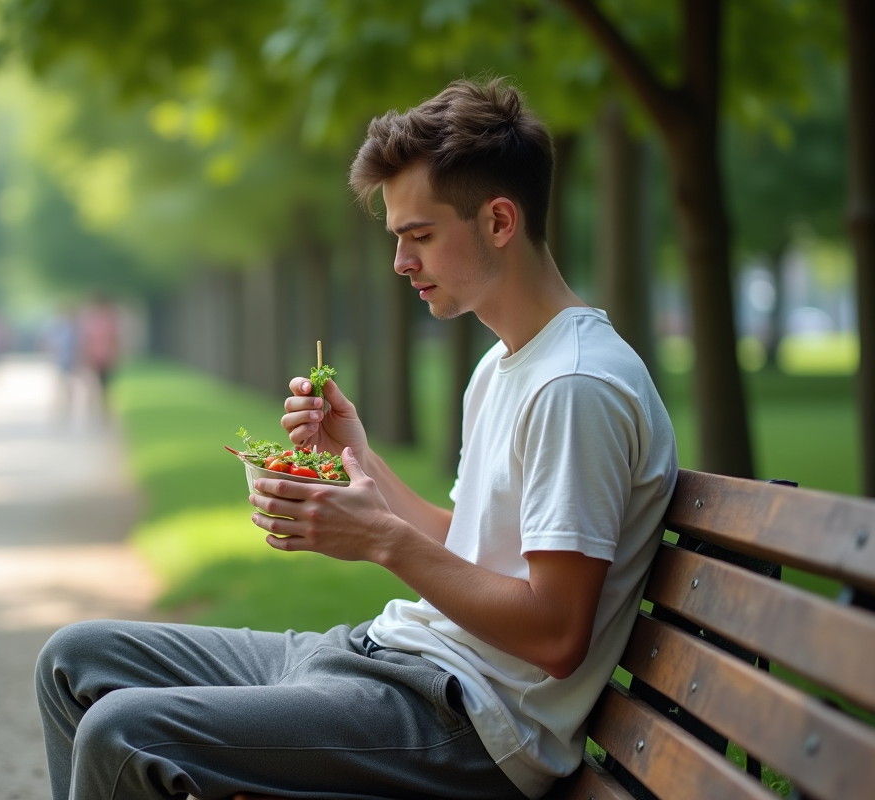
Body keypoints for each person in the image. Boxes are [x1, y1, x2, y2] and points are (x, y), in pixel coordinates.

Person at [35, 78, 678, 800]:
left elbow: (557, 635)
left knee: (122, 733)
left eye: (420, 237)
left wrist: (381, 542)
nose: (402, 263)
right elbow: (468, 542)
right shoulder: (504, 366)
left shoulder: (574, 386)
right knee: (73, 659)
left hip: (466, 722)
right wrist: (359, 461)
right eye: (398, 239)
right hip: (388, 660)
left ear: (499, 220)